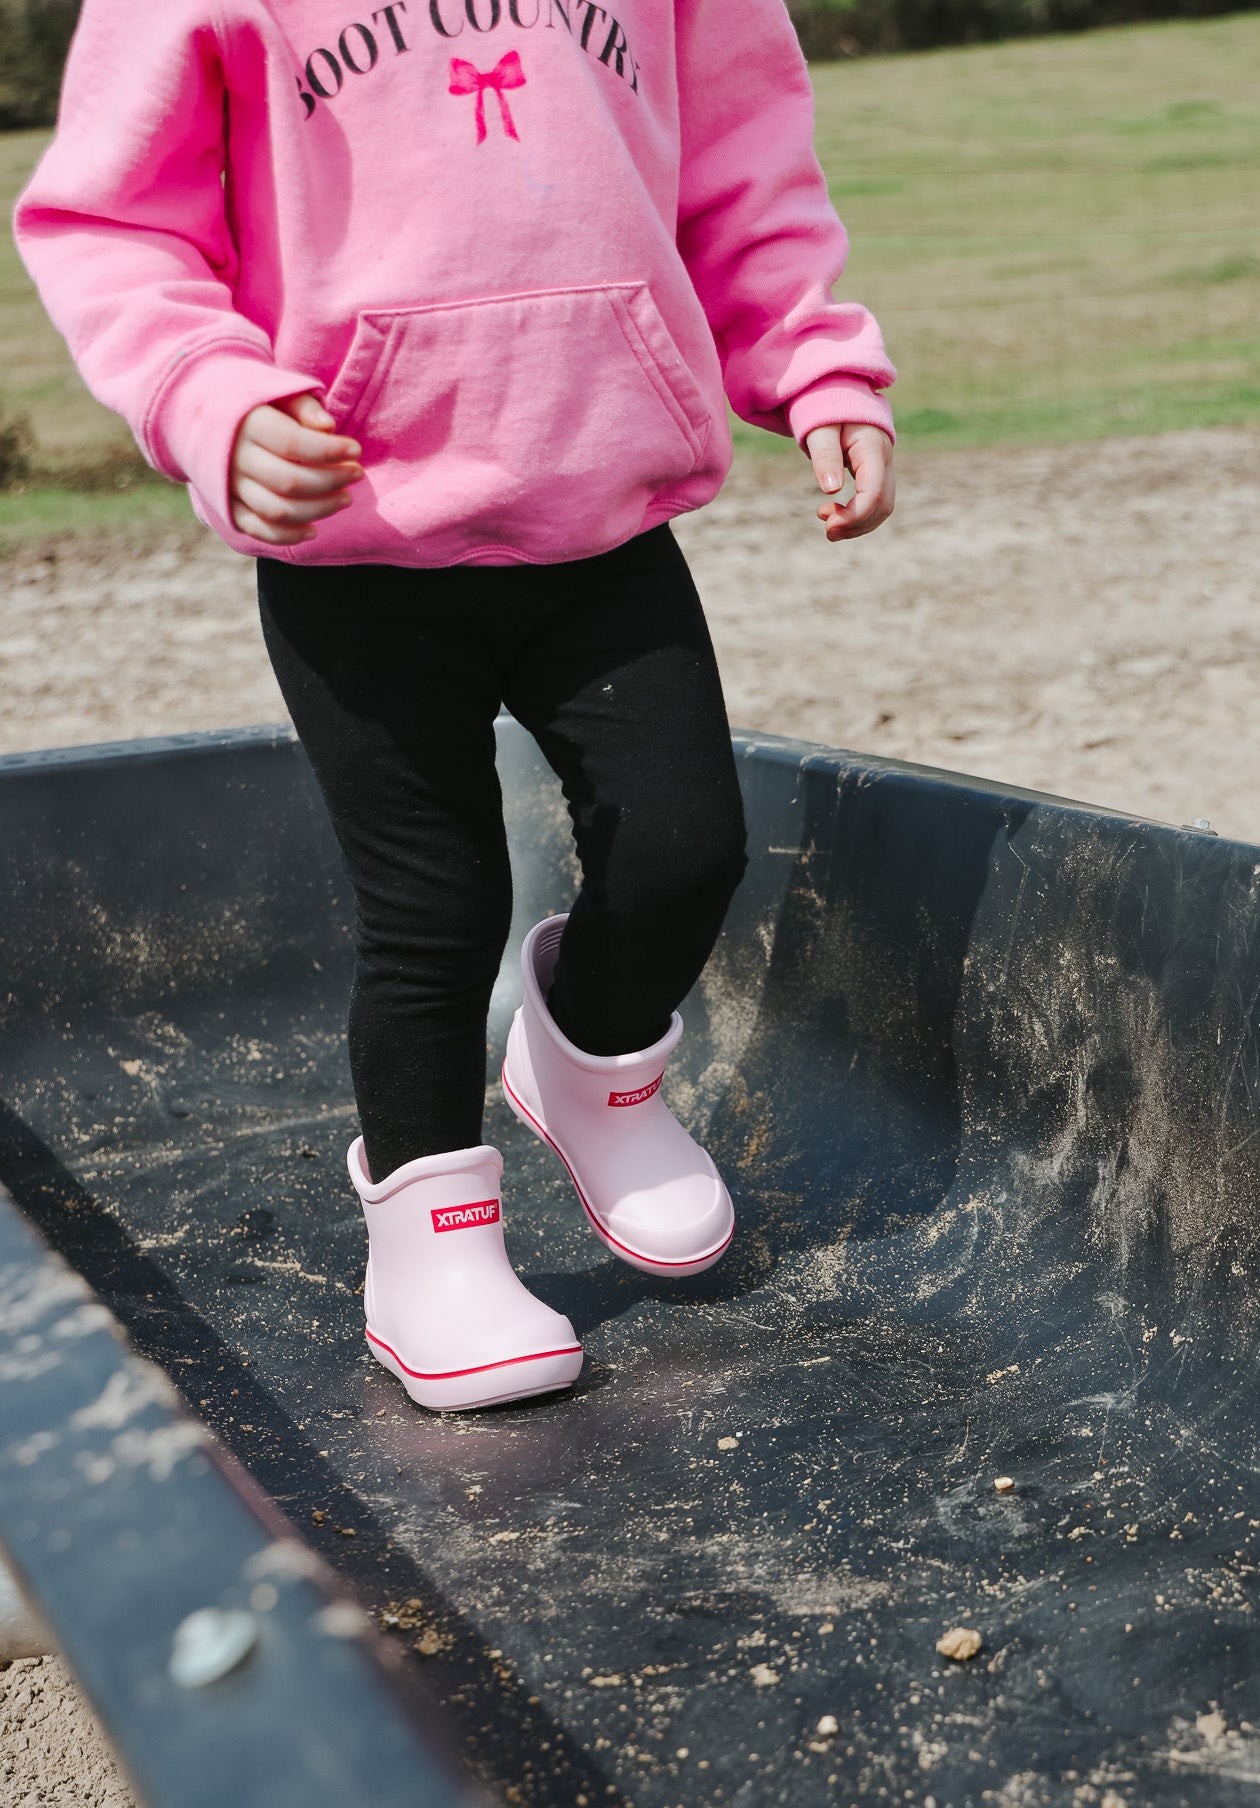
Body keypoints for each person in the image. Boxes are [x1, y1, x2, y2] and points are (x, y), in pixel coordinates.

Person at [15, 0, 896, 1413]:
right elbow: (116, 223)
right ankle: (430, 1248)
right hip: (357, 543)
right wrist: (210, 397)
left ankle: (594, 1071)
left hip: (601, 525)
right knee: (435, 911)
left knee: (686, 849)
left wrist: (812, 358)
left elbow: (743, 162)